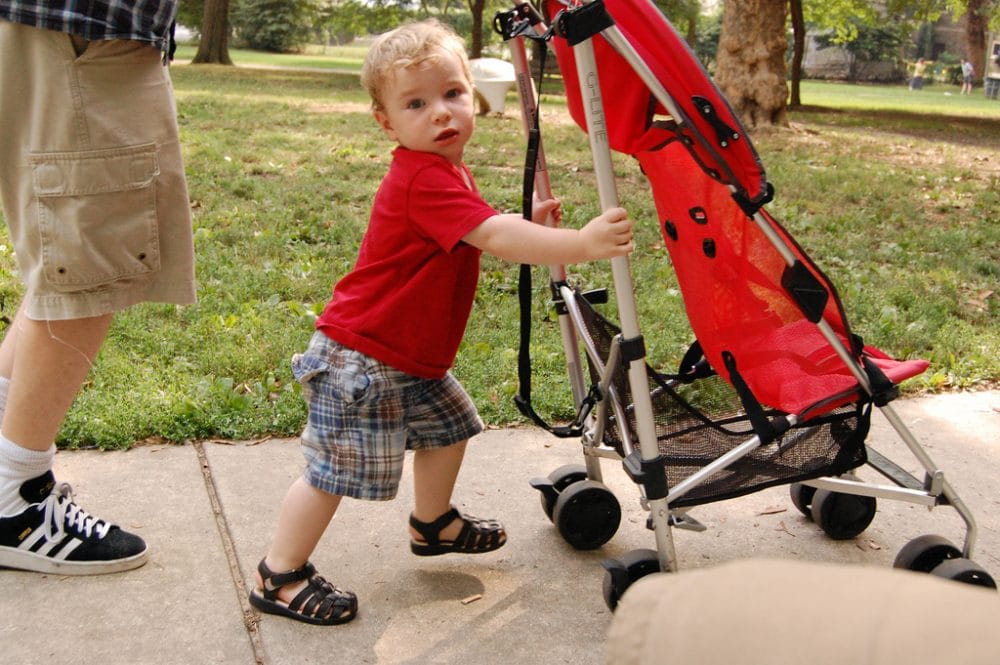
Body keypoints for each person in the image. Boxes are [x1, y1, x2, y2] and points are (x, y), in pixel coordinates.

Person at [249, 19, 634, 626]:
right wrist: (576, 242)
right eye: (416, 103)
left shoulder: (447, 172)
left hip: (411, 361)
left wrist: (525, 217)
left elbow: (478, 224)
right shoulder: (422, 177)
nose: (441, 113)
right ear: (386, 121)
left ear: (471, 95)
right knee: (332, 474)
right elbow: (492, 235)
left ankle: (433, 525)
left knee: (451, 428)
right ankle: (280, 574)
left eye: (452, 93)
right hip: (366, 359)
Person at [0, 2, 196, 575]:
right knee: (88, 271)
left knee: (64, 265)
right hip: (83, 30)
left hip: (59, 31)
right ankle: (17, 503)